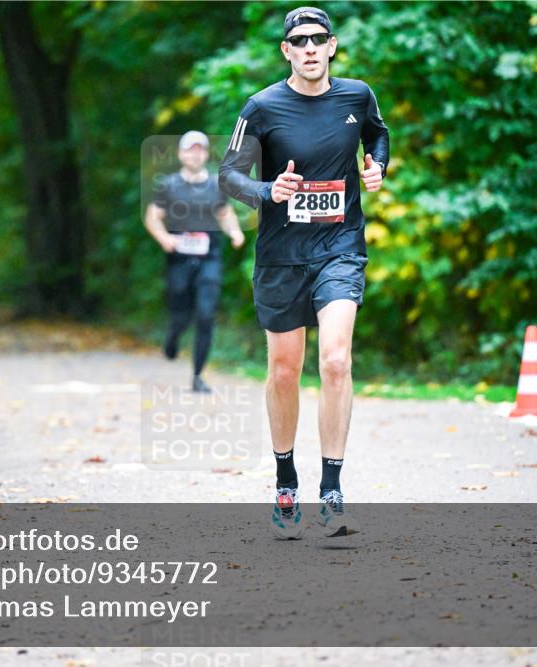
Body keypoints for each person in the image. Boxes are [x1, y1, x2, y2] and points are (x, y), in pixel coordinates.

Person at [218, 7, 389, 538]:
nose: (310, 47)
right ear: (286, 51)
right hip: (280, 255)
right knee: (285, 371)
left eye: (319, 39)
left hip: (339, 247)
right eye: (299, 40)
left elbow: (378, 136)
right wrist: (270, 191)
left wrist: (377, 165)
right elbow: (229, 175)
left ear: (333, 46)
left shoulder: (356, 96)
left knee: (336, 360)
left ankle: (332, 489)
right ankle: (285, 480)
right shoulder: (263, 107)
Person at [145, 131, 245, 393]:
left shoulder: (215, 185)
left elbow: (225, 214)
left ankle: (198, 375)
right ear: (181, 154)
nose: (195, 154)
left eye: (200, 150)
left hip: (209, 258)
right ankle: (173, 336)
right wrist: (164, 237)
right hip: (178, 259)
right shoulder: (169, 185)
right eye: (190, 149)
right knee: (181, 313)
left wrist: (234, 232)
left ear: (205, 154)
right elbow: (153, 217)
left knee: (205, 314)